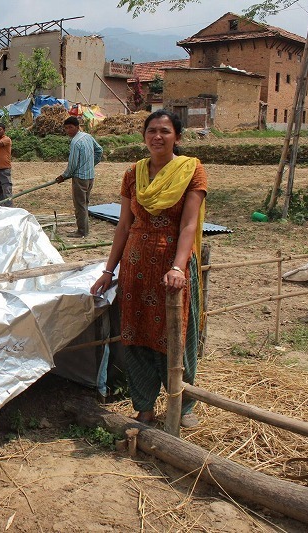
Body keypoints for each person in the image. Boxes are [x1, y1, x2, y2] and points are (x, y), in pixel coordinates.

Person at [90, 109, 207, 428]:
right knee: (136, 335)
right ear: (144, 137)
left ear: (177, 137)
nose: (158, 136)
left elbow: (188, 225)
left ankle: (182, 406)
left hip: (172, 265)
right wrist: (108, 270)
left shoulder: (191, 170)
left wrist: (179, 268)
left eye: (165, 131)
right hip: (136, 265)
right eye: (152, 131)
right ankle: (143, 407)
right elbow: (124, 225)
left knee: (175, 336)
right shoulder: (133, 173)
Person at [55, 116, 103, 237]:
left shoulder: (75, 142)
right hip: (90, 176)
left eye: (70, 127)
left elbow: (72, 164)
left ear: (77, 127)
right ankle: (84, 229)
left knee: (80, 205)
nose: (68, 130)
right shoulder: (88, 136)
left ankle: (82, 231)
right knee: (84, 203)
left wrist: (63, 176)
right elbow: (100, 150)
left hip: (80, 178)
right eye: (66, 128)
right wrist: (91, 165)